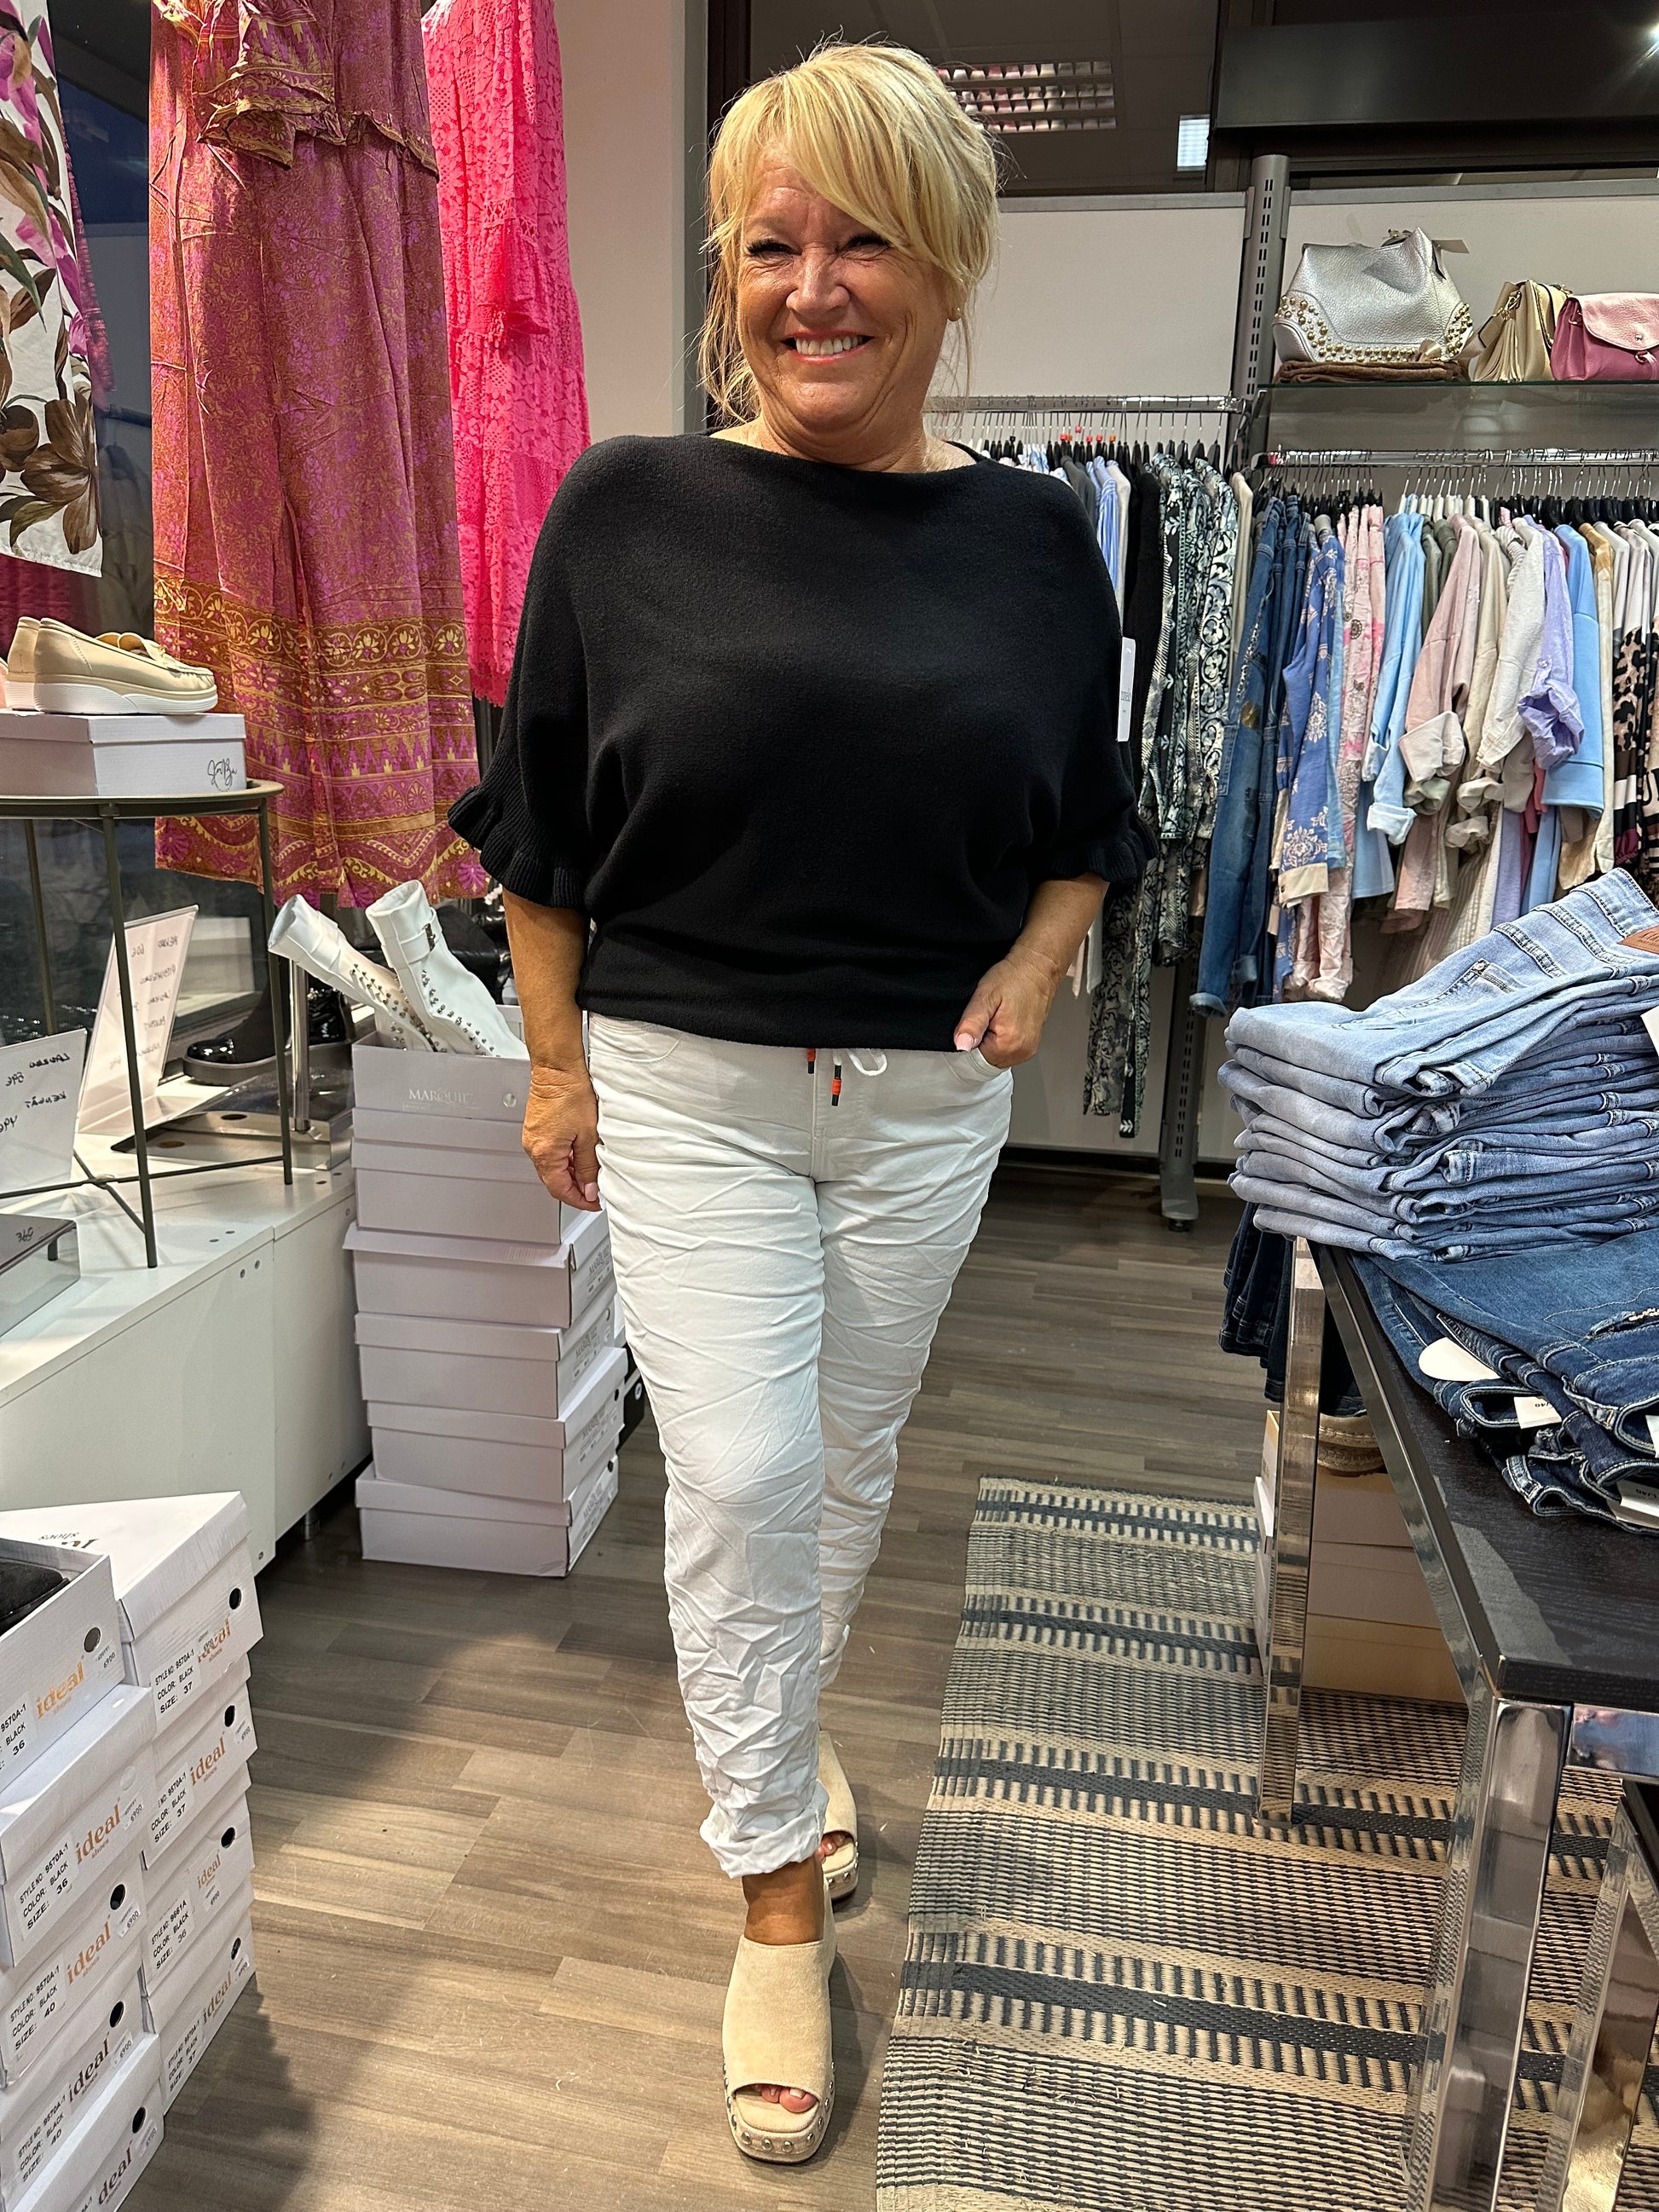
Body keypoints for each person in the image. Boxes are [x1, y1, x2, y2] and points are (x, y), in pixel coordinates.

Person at [448, 38, 1153, 2165]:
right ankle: (770, 1894)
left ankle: (783, 1735)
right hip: (690, 1082)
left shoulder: (1038, 540)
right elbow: (539, 832)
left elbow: (1086, 820)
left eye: (862, 243)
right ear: (726, 276)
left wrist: (1038, 963)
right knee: (746, 1470)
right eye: (769, 246)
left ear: (945, 268)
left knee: (840, 1461)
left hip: (927, 1098)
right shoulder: (626, 511)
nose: (812, 287)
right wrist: (552, 1062)